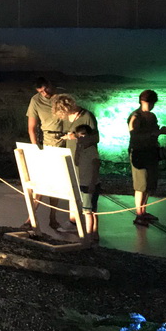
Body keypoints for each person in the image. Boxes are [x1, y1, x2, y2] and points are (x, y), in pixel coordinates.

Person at [52, 94, 101, 240]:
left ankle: (93, 232)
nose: (64, 116)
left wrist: (75, 137)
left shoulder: (87, 117)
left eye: (64, 112)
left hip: (86, 161)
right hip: (73, 158)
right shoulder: (67, 119)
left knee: (89, 201)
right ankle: (73, 222)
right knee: (73, 192)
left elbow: (95, 138)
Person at [25, 77, 67, 230]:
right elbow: (32, 127)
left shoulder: (61, 96)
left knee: (58, 183)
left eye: (45, 90)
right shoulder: (36, 100)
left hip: (65, 139)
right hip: (48, 140)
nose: (44, 94)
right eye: (40, 91)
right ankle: (31, 217)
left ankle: (54, 217)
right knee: (42, 181)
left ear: (50, 84)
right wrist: (35, 147)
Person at [128, 89, 166, 227]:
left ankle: (143, 211)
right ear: (142, 101)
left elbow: (151, 133)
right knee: (140, 185)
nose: (151, 106)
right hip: (139, 152)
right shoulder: (135, 116)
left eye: (152, 103)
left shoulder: (151, 116)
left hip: (151, 151)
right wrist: (156, 133)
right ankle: (139, 215)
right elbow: (134, 136)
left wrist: (157, 134)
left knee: (149, 184)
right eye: (149, 103)